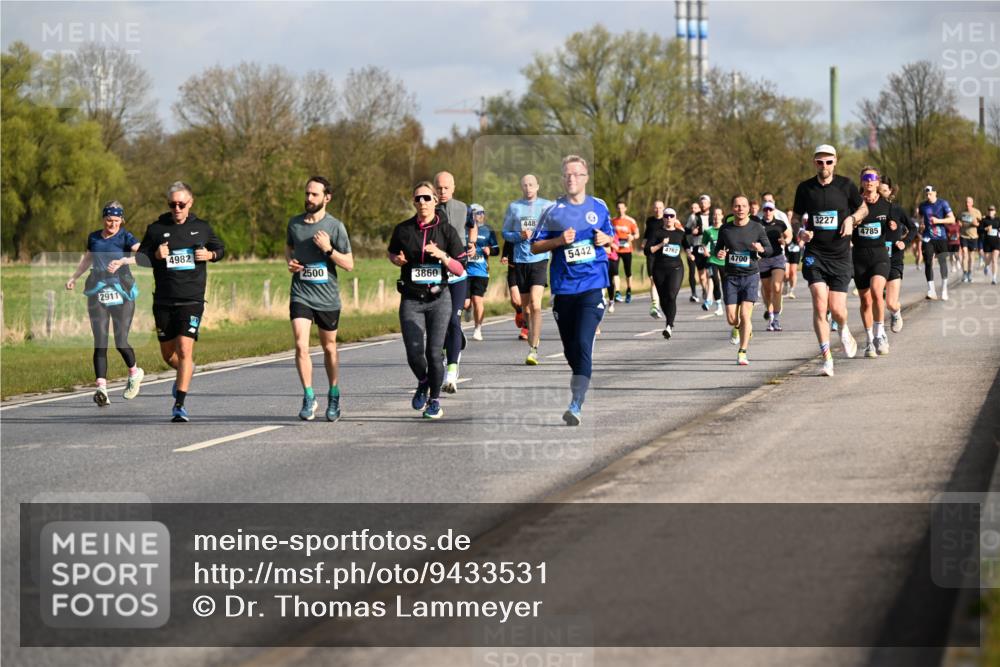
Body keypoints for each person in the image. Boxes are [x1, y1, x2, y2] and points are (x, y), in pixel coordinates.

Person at [529, 155, 613, 426]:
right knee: (570, 350)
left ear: (586, 178)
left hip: (592, 285)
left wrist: (606, 238)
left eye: (577, 174)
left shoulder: (599, 207)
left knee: (583, 343)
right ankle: (579, 382)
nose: (571, 179)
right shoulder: (553, 210)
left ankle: (576, 402)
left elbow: (611, 237)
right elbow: (534, 247)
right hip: (564, 289)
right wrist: (557, 240)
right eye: (567, 175)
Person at [137, 182, 224, 422]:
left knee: (185, 349)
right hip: (164, 300)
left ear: (190, 203)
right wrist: (154, 255)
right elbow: (140, 257)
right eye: (172, 204)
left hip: (192, 299)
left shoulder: (202, 228)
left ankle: (179, 403)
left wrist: (210, 255)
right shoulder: (156, 229)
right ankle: (186, 371)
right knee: (168, 355)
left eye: (181, 204)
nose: (176, 208)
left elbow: (220, 248)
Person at [387, 182, 466, 419]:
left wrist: (442, 255)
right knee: (414, 352)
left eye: (427, 198)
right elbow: (391, 252)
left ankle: (434, 400)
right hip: (411, 299)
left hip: (439, 299)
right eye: (418, 198)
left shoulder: (447, 231)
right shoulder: (403, 230)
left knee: (433, 353)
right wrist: (396, 259)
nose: (422, 202)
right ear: (413, 202)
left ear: (435, 201)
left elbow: (461, 268)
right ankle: (423, 381)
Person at [792, 145, 867, 377]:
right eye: (819, 162)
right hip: (815, 254)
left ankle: (844, 329)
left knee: (837, 309)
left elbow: (863, 208)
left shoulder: (846, 186)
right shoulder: (805, 188)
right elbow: (795, 218)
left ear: (835, 162)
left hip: (841, 255)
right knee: (819, 303)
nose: (824, 166)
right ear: (814, 163)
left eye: (828, 162)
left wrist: (851, 220)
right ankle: (827, 359)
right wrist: (800, 232)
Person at [285, 176, 353, 422]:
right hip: (301, 293)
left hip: (327, 298)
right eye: (307, 194)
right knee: (301, 344)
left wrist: (328, 249)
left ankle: (333, 394)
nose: (309, 198)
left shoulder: (335, 227)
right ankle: (309, 395)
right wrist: (290, 263)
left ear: (327, 198)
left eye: (314, 194)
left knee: (329, 347)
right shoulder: (294, 224)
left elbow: (349, 264)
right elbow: (289, 248)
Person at [65, 201, 144, 406]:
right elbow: (88, 259)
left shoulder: (126, 237)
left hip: (122, 293)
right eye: (109, 220)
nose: (112, 224)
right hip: (98, 291)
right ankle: (102, 389)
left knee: (120, 342)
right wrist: (74, 277)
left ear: (122, 220)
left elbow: (145, 255)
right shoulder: (93, 237)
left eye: (117, 221)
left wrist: (123, 261)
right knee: (100, 342)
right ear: (103, 219)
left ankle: (134, 373)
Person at [503, 174, 553, 365]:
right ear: (521, 187)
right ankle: (531, 339)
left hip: (539, 259)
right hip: (520, 260)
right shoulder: (514, 207)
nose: (528, 187)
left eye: (531, 184)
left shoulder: (547, 206)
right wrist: (520, 235)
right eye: (525, 185)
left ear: (537, 186)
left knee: (535, 302)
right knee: (526, 310)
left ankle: (534, 349)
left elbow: (555, 229)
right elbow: (506, 233)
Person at [716, 195, 771, 365]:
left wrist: (761, 249)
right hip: (731, 277)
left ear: (748, 209)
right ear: (732, 209)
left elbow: (768, 249)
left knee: (745, 315)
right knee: (732, 319)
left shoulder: (757, 228)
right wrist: (720, 253)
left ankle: (742, 351)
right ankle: (741, 329)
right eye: (737, 206)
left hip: (750, 276)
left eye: (743, 206)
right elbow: (718, 249)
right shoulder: (725, 229)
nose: (740, 209)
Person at [431, 172, 471, 394]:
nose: (442, 192)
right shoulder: (428, 211)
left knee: (453, 321)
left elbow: (472, 226)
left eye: (446, 188)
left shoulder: (464, 208)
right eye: (439, 188)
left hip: (457, 273)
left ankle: (451, 373)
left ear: (453, 187)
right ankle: (454, 343)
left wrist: (471, 244)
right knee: (440, 324)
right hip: (436, 276)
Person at [852, 167, 894, 357]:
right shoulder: (854, 204)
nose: (869, 181)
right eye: (866, 178)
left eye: (873, 178)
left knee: (877, 292)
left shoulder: (887, 205)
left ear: (878, 182)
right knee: (865, 300)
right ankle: (869, 340)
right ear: (861, 182)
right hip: (859, 256)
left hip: (879, 255)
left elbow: (896, 226)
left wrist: (894, 227)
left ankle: (880, 334)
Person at [877, 176, 917, 333]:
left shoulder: (897, 209)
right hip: (876, 259)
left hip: (894, 258)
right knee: (875, 299)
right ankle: (878, 331)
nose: (882, 194)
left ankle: (895, 312)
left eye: (885, 191)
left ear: (890, 192)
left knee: (891, 303)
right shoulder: (869, 209)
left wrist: (904, 242)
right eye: (879, 191)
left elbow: (913, 228)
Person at [646, 207, 693, 339]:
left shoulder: (680, 233)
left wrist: (689, 254)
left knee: (671, 296)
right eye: (666, 216)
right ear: (663, 218)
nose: (669, 218)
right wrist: (661, 244)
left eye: (671, 216)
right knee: (664, 299)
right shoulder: (656, 233)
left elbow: (687, 246)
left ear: (675, 217)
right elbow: (647, 250)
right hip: (659, 269)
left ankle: (669, 325)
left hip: (676, 269)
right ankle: (669, 321)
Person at [465, 204, 500, 340]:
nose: (479, 216)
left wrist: (490, 251)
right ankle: (468, 309)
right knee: (466, 303)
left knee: (477, 300)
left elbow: (496, 250)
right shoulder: (464, 229)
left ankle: (478, 329)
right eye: (476, 213)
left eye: (481, 213)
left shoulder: (488, 230)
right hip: (465, 271)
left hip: (481, 272)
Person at [918, 185, 956, 301]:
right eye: (927, 194)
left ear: (935, 193)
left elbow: (952, 219)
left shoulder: (943, 203)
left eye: (930, 194)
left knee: (942, 262)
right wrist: (921, 226)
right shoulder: (923, 205)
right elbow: (921, 219)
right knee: (928, 262)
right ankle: (931, 290)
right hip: (928, 238)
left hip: (941, 237)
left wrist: (938, 220)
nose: (928, 196)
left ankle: (944, 289)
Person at [758, 201, 791, 331]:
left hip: (778, 258)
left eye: (770, 210)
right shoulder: (758, 224)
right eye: (765, 210)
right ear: (763, 210)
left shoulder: (780, 223)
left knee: (777, 287)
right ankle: (770, 316)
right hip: (764, 260)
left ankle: (776, 319)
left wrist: (785, 241)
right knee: (767, 291)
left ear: (773, 210)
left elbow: (789, 236)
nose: (768, 212)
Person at [642, 201, 667, 318]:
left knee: (662, 281)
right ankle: (655, 306)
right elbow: (647, 234)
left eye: (660, 208)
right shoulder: (650, 220)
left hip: (662, 254)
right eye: (656, 208)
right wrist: (643, 243)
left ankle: (663, 302)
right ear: (653, 209)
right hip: (651, 253)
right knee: (652, 279)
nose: (658, 210)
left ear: (664, 208)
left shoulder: (667, 220)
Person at [611, 200, 640, 303]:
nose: (620, 210)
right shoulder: (613, 220)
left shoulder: (630, 221)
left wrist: (632, 237)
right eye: (618, 208)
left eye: (622, 208)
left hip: (627, 249)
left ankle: (628, 290)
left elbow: (637, 234)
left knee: (628, 271)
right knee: (614, 271)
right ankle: (617, 292)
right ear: (616, 209)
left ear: (625, 208)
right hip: (616, 249)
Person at [500, 239, 528, 339]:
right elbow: (508, 241)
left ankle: (526, 328)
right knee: (516, 301)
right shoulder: (513, 227)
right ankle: (520, 312)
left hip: (527, 267)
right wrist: (504, 255)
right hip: (513, 268)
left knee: (527, 301)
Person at [701, 207, 726, 317]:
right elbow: (703, 243)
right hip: (712, 260)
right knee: (715, 280)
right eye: (714, 215)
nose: (716, 217)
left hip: (725, 261)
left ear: (722, 216)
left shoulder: (726, 229)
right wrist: (705, 250)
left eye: (718, 214)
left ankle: (729, 303)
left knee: (726, 283)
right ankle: (719, 306)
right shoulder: (708, 230)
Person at [958, 196, 982, 283]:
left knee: (971, 257)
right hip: (964, 236)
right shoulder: (962, 212)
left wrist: (976, 224)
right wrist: (959, 223)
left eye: (968, 202)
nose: (967, 204)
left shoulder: (977, 212)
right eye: (966, 202)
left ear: (972, 203)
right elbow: (958, 221)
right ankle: (964, 273)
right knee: (965, 254)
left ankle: (970, 273)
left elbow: (980, 223)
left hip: (973, 237)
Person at [684, 201, 703, 302]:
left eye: (695, 208)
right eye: (692, 208)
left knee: (703, 272)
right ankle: (694, 293)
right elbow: (685, 230)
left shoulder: (705, 217)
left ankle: (705, 290)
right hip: (691, 247)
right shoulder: (691, 217)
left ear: (700, 209)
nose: (693, 210)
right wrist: (692, 231)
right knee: (692, 271)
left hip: (702, 247)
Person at [983, 205, 999, 285]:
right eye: (989, 210)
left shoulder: (998, 220)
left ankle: (994, 278)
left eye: (992, 210)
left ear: (995, 211)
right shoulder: (984, 220)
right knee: (987, 259)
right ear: (987, 211)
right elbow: (979, 230)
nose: (990, 211)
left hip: (996, 242)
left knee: (994, 259)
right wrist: (986, 229)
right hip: (987, 243)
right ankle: (986, 266)